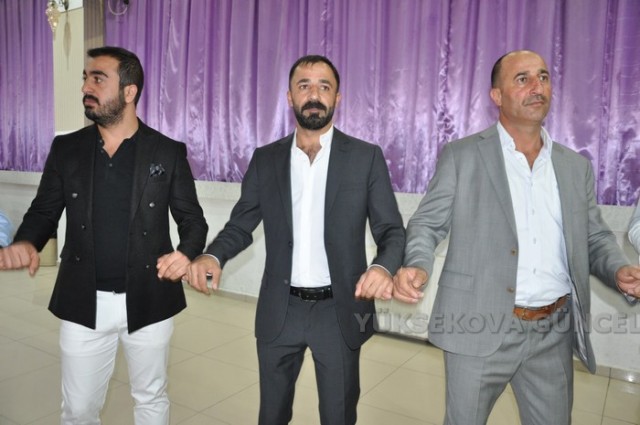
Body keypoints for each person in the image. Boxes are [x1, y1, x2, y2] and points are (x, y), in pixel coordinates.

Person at [394, 49, 640, 425]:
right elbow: (427, 224)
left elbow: (593, 236)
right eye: (522, 79)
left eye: (543, 77)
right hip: (478, 323)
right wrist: (417, 263)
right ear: (497, 95)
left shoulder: (575, 167)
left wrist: (618, 269)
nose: (536, 86)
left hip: (553, 331)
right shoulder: (462, 156)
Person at [185, 55, 405, 425]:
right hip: (280, 309)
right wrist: (213, 256)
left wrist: (383, 268)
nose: (314, 95)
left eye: (324, 86)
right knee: (271, 415)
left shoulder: (365, 158)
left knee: (338, 416)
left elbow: (392, 231)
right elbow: (240, 225)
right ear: (290, 96)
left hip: (339, 311)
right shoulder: (266, 159)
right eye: (304, 86)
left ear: (337, 97)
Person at [0, 46, 208, 425]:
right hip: (83, 298)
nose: (86, 87)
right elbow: (45, 210)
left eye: (98, 79)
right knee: (78, 409)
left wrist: (186, 252)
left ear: (129, 91)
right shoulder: (67, 148)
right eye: (85, 78)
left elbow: (193, 220)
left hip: (150, 297)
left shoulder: (166, 151)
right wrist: (27, 242)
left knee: (151, 397)